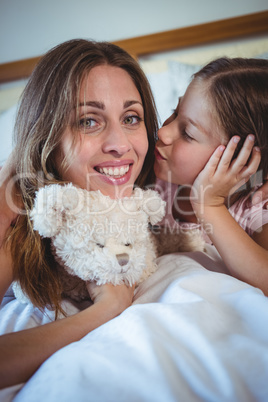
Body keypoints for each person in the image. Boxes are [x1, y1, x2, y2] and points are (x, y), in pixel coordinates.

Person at [0, 38, 158, 389]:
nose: (120, 144)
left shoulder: (160, 200)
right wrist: (107, 308)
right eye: (89, 121)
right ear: (47, 138)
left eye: (131, 118)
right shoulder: (26, 224)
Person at [154, 57, 268, 295]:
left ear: (241, 160)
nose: (162, 132)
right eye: (174, 113)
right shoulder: (151, 176)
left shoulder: (255, 211)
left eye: (187, 132)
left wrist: (210, 205)